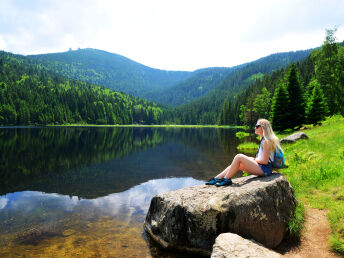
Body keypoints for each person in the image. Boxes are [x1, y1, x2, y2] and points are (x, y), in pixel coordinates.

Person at [205, 119, 281, 187]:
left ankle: (226, 179)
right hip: (263, 168)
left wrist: (254, 159)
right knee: (237, 164)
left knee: (239, 156)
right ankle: (217, 178)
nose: (255, 127)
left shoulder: (266, 142)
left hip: (265, 169)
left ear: (263, 127)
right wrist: (253, 159)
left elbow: (264, 161)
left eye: (257, 126)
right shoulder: (264, 140)